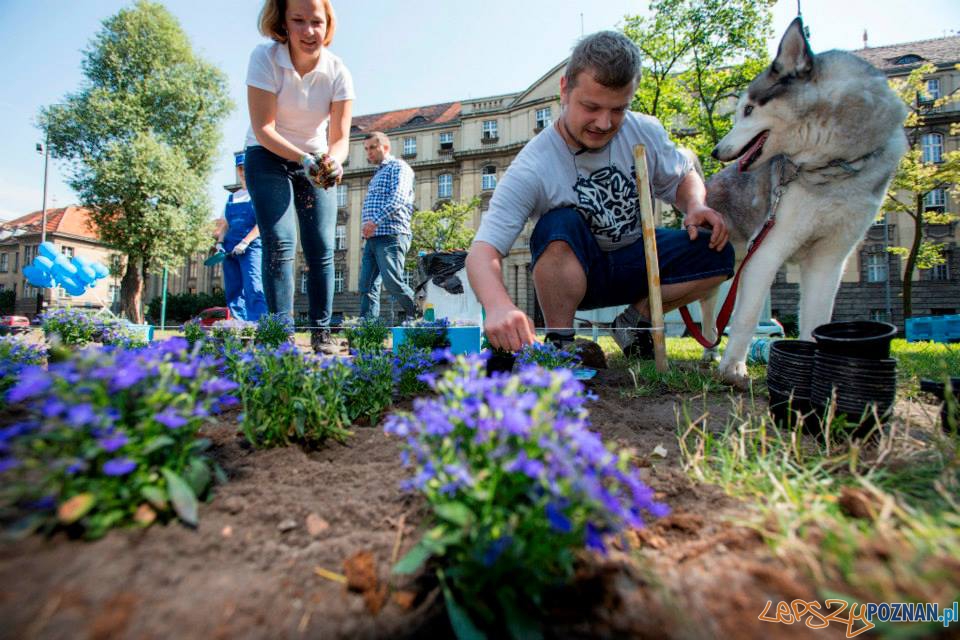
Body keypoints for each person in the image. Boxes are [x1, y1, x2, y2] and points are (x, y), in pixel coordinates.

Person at [466, 30, 734, 357]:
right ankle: (561, 341)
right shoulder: (533, 166)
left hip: (638, 259)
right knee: (558, 225)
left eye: (618, 109)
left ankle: (636, 321)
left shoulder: (644, 130)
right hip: (578, 273)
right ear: (564, 89)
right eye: (591, 107)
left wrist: (694, 204)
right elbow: (483, 252)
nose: (604, 123)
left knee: (717, 251)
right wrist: (498, 305)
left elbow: (682, 175)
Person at [243, 0, 353, 354]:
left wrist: (334, 161)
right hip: (268, 155)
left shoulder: (338, 71)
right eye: (298, 21)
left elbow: (340, 138)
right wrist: (303, 158)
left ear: (328, 23)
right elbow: (264, 129)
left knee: (321, 247)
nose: (309, 31)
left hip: (315, 160)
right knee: (280, 242)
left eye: (316, 22)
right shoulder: (265, 58)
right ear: (283, 23)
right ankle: (280, 335)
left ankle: (321, 334)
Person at [358, 132, 418, 321]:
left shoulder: (399, 167)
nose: (368, 152)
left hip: (391, 234)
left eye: (372, 147)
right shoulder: (377, 174)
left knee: (393, 282)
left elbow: (398, 198)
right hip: (372, 238)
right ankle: (367, 329)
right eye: (366, 149)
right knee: (366, 286)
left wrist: (374, 221)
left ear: (385, 147)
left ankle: (426, 315)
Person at [213, 153, 268, 322]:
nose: (244, 172)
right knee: (233, 290)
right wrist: (220, 243)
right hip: (230, 250)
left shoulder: (259, 193)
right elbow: (224, 224)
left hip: (251, 248)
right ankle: (239, 325)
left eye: (246, 168)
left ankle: (259, 325)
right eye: (240, 168)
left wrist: (245, 242)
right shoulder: (232, 197)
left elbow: (262, 224)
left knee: (254, 286)